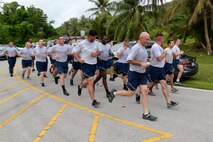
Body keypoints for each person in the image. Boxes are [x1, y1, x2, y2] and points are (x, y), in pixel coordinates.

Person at [107, 32, 157, 121]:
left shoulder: (143, 47)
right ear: (141, 38)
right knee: (130, 93)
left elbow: (140, 57)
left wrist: (147, 60)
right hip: (134, 74)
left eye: (149, 39)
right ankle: (114, 93)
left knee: (145, 92)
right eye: (147, 39)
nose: (148, 41)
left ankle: (146, 113)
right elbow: (129, 59)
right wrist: (141, 63)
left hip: (142, 74)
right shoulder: (135, 48)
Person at [148, 33, 179, 108]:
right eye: (162, 39)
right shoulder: (155, 47)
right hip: (155, 68)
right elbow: (159, 58)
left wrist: (165, 59)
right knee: (150, 83)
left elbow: (161, 58)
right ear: (160, 39)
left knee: (164, 84)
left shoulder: (159, 47)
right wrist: (165, 54)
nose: (163, 40)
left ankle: (169, 102)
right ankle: (139, 93)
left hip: (160, 69)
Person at [73, 30, 101, 108]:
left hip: (94, 64)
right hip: (86, 64)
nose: (94, 38)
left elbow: (99, 52)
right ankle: (94, 101)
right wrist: (79, 60)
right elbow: (74, 52)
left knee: (87, 80)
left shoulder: (96, 43)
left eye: (95, 37)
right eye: (93, 37)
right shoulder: (81, 43)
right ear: (89, 36)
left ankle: (80, 87)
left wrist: (96, 54)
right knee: (90, 82)